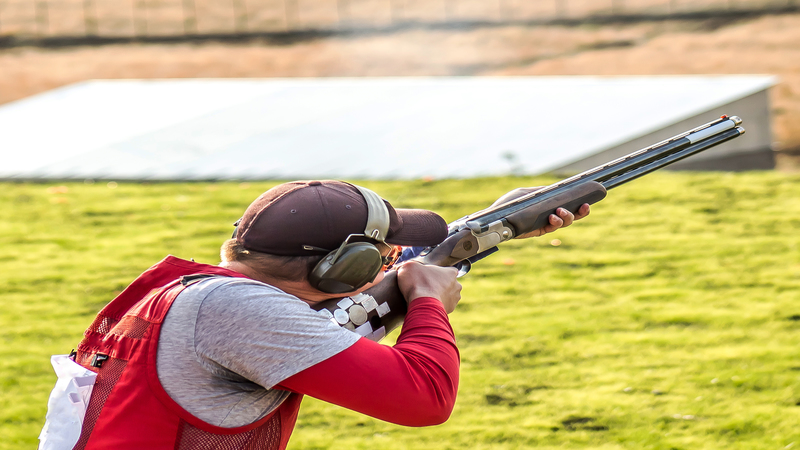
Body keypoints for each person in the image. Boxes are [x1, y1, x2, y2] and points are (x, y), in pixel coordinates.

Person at [52, 180, 588, 450]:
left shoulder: (207, 294)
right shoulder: (239, 312)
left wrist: (497, 227)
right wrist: (427, 299)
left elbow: (331, 326)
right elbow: (423, 399)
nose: (393, 260)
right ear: (342, 265)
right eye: (383, 253)